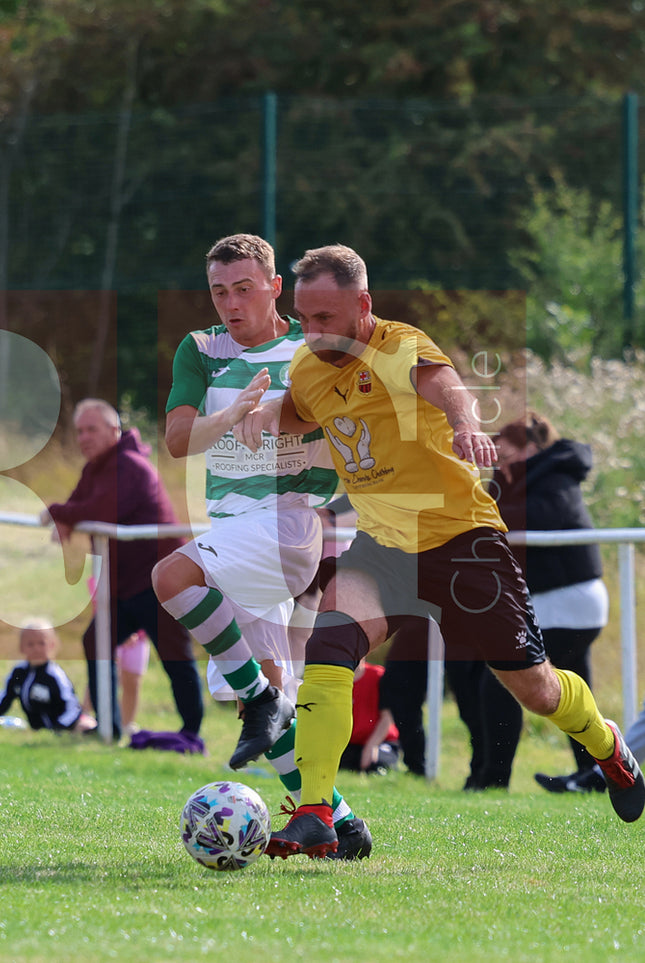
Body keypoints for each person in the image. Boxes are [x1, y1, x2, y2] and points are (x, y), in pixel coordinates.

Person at [242, 244, 643, 859]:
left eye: (326, 317)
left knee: (535, 691)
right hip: (384, 547)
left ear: (363, 305)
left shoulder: (400, 344)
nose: (313, 331)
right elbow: (300, 413)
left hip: (464, 543)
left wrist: (464, 424)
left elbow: (446, 383)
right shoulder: (308, 365)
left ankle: (607, 744)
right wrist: (264, 413)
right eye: (304, 317)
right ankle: (316, 810)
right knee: (329, 647)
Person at [153, 234, 369, 858]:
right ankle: (338, 822)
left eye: (244, 289)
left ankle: (263, 701)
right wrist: (234, 416)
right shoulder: (200, 349)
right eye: (220, 291)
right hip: (232, 530)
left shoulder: (311, 350)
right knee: (267, 699)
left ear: (276, 287)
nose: (230, 303)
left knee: (172, 578)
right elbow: (177, 440)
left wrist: (286, 418)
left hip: (288, 523)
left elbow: (353, 433)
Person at [42, 400, 205, 741]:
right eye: (80, 431)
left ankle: (191, 733)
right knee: (95, 642)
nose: (84, 437)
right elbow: (80, 508)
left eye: (92, 429)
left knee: (174, 655)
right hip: (123, 587)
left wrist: (58, 511)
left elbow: (103, 510)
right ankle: (109, 727)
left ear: (114, 431)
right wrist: (65, 516)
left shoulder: (132, 466)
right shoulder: (93, 470)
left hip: (161, 582)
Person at [489, 412, 612, 794]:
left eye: (505, 459)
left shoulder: (554, 476)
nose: (500, 467)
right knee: (575, 687)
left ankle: (491, 780)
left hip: (567, 599)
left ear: (530, 448)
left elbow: (535, 519)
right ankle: (596, 774)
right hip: (559, 600)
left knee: (502, 681)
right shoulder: (534, 475)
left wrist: (478, 514)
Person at [0, 621, 89, 732]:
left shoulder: (55, 676)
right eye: (30, 644)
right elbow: (5, 698)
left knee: (85, 725)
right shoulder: (19, 672)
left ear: (51, 645)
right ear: (22, 647)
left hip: (64, 725)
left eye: (41, 643)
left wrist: (58, 727)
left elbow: (72, 707)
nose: (36, 649)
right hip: (37, 728)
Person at [339, 661, 401, 775]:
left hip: (380, 741)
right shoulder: (333, 680)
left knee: (378, 765)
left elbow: (387, 718)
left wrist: (371, 746)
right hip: (348, 745)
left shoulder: (379, 676)